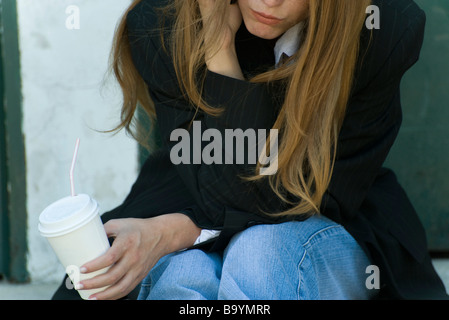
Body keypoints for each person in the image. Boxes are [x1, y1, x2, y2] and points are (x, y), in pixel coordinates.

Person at [52, 0, 448, 300]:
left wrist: (175, 231)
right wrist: (217, 44)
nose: (269, 1)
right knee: (183, 276)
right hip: (190, 193)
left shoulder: (378, 26)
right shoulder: (166, 21)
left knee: (260, 254)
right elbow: (220, 181)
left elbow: (303, 196)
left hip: (327, 215)